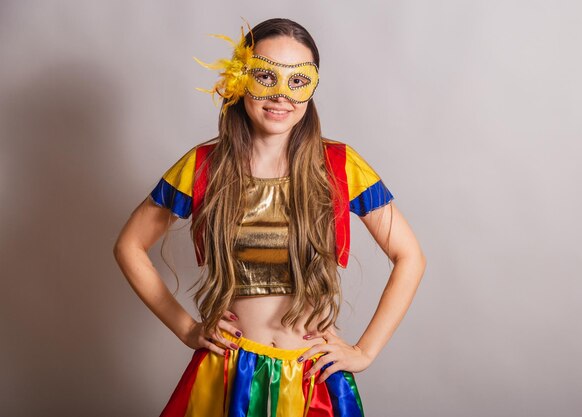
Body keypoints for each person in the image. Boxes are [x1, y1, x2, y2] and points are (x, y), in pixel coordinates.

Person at [113, 17, 426, 417]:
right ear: (241, 79)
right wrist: (187, 328)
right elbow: (129, 245)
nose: (282, 95)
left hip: (311, 380)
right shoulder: (204, 167)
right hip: (229, 375)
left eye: (297, 81)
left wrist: (365, 351)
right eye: (266, 76)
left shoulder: (340, 166)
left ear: (311, 88)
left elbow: (410, 257)